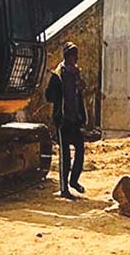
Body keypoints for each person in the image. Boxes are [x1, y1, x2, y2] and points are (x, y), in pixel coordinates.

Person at [45, 42, 87, 199]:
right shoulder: (57, 75)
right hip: (63, 120)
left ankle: (74, 181)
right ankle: (64, 189)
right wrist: (58, 96)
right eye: (72, 55)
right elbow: (48, 96)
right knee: (65, 157)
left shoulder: (76, 74)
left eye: (75, 55)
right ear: (66, 57)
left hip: (75, 119)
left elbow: (79, 96)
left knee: (80, 152)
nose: (75, 59)